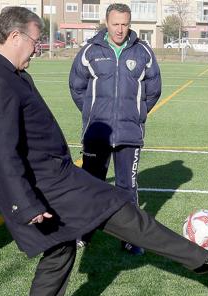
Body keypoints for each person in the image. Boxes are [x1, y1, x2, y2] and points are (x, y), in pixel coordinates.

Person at [0, 7, 208, 296]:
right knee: (117, 208)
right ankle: (201, 260)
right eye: (35, 41)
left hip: (49, 180)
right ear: (15, 37)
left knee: (60, 251)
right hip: (49, 183)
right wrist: (23, 204)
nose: (37, 48)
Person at [69, 3, 160, 254]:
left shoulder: (143, 52)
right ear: (106, 23)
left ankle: (131, 238)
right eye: (115, 24)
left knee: (127, 187)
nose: (120, 29)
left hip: (129, 134)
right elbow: (77, 88)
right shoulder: (90, 51)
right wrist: (94, 113)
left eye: (124, 24)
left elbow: (153, 90)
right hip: (97, 133)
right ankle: (83, 232)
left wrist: (136, 114)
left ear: (130, 24)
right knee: (91, 185)